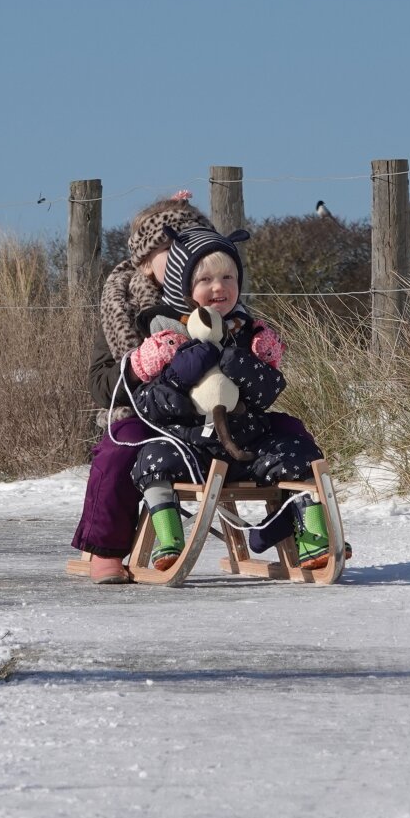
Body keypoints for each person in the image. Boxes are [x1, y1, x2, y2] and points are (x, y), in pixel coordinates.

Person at [69, 195, 322, 583]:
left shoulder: (218, 301)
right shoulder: (123, 306)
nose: (181, 254)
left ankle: (288, 522)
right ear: (145, 259)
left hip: (223, 421)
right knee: (120, 448)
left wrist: (255, 360)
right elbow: (102, 385)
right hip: (145, 412)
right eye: (169, 248)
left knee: (289, 432)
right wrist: (138, 366)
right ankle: (107, 548)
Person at [122, 223, 333, 574]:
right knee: (152, 460)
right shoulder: (164, 339)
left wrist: (240, 363)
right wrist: (177, 378)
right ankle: (169, 537)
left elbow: (269, 391)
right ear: (183, 287)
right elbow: (146, 404)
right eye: (205, 280)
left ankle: (311, 534)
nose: (219, 287)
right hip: (191, 447)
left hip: (246, 439)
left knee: (299, 452)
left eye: (228, 278)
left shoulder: (249, 334)